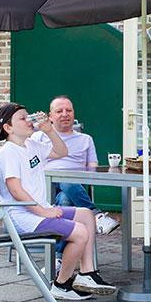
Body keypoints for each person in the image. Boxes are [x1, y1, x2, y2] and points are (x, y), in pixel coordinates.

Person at [0, 102, 115, 301]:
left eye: (28, 116)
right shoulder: (8, 152)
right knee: (80, 232)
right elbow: (15, 190)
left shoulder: (31, 145)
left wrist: (49, 131)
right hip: (23, 217)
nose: (29, 120)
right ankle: (61, 284)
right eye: (22, 118)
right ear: (8, 127)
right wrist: (43, 211)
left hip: (38, 211)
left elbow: (61, 152)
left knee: (86, 215)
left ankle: (87, 273)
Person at [30, 95, 119, 235]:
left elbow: (92, 169)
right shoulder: (39, 137)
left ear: (73, 113)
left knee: (64, 199)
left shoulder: (86, 139)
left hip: (75, 187)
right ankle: (96, 215)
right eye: (59, 111)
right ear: (50, 116)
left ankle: (59, 249)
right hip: (46, 186)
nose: (65, 114)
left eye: (69, 110)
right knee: (66, 180)